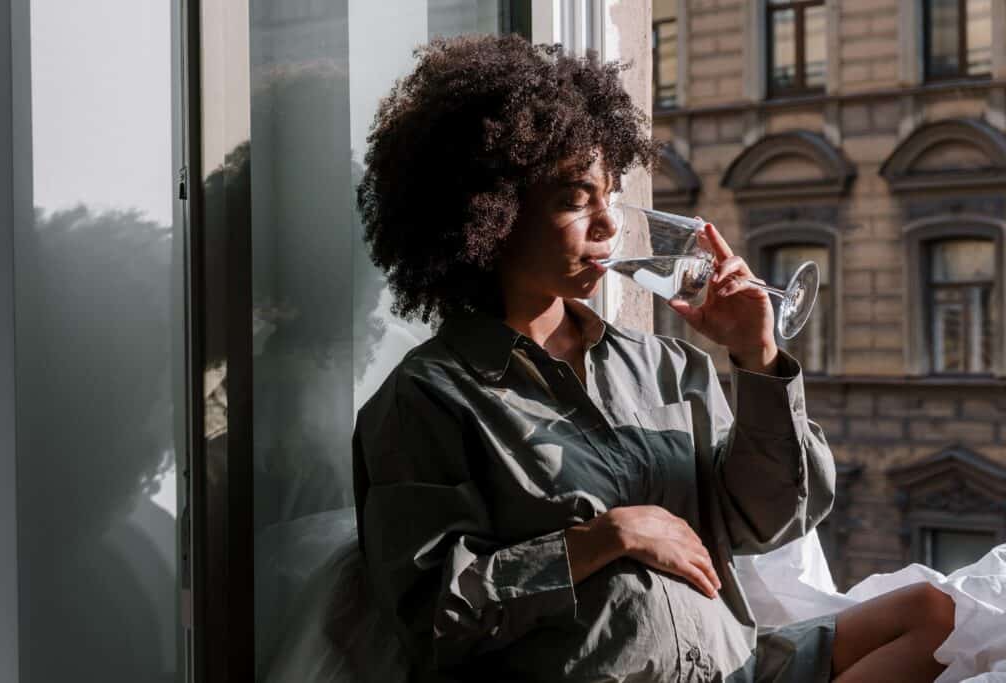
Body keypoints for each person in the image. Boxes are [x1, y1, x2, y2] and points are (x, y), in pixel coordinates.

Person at [352, 34, 955, 682]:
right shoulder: (431, 400)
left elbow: (771, 519)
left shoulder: (667, 365)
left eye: (608, 194)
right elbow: (433, 616)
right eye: (572, 198)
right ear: (489, 211)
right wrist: (599, 541)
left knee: (935, 614)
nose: (607, 224)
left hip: (735, 666)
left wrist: (755, 357)